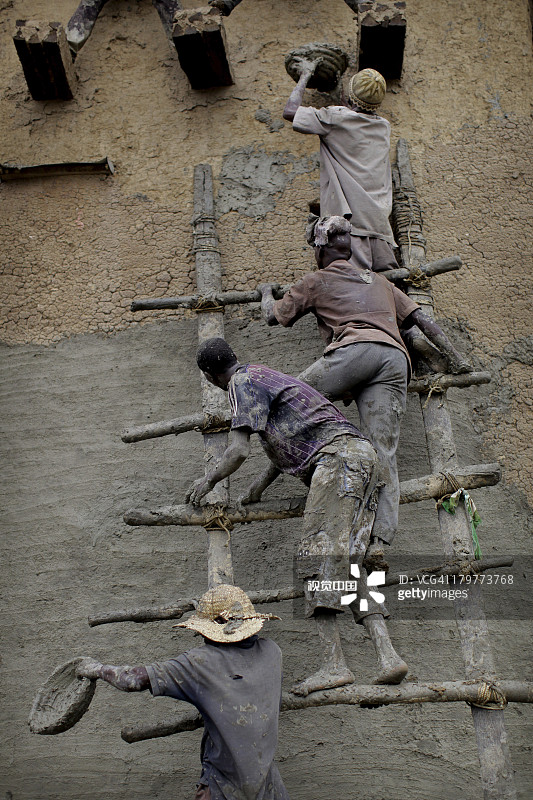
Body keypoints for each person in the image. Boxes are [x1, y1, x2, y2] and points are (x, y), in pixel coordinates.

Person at [186, 337, 408, 697]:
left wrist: (208, 479)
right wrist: (258, 489)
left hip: (338, 463)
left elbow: (239, 449)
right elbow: (287, 436)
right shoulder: (265, 376)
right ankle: (388, 657)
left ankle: (335, 665)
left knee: (315, 564)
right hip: (362, 460)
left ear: (210, 376)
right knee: (346, 567)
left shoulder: (240, 384)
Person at [259, 216, 471, 567]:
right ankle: (378, 542)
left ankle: (294, 474)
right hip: (394, 361)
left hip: (354, 352)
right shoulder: (380, 281)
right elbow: (422, 320)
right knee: (383, 453)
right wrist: (457, 358)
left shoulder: (316, 280)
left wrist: (266, 292)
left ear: (319, 248)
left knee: (286, 403)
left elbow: (273, 316)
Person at [76, 583, 288, 800]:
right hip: (270, 788)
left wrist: (95, 669)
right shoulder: (273, 652)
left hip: (223, 788)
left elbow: (132, 680)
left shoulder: (201, 662)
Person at [283, 63, 398, 274]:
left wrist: (305, 75)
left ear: (350, 98)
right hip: (380, 227)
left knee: (353, 290)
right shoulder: (383, 127)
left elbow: (290, 111)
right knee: (385, 290)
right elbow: (356, 115)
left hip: (351, 228)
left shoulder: (336, 118)